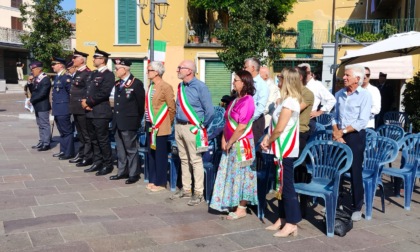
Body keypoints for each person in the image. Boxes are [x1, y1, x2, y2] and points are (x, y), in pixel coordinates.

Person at [210, 70, 258, 220]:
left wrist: (230, 141)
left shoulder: (248, 101)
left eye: (236, 80)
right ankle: (232, 202)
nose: (233, 82)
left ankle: (242, 207)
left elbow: (242, 126)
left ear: (244, 82)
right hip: (230, 143)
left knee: (243, 176)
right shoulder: (234, 100)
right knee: (232, 174)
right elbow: (227, 122)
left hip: (241, 144)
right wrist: (224, 139)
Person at [260, 68, 302, 237]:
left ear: (287, 81)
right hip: (277, 148)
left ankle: (292, 222)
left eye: (280, 78)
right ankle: (283, 218)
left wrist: (268, 140)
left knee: (287, 187)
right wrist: (266, 138)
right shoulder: (284, 101)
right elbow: (273, 127)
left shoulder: (291, 102)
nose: (277, 81)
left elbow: (280, 129)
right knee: (280, 185)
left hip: (285, 149)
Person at [170, 60, 214, 206]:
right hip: (180, 126)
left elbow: (210, 111)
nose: (178, 70)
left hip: (193, 128)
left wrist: (201, 126)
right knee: (183, 159)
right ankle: (186, 189)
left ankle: (199, 192)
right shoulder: (180, 86)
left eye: (180, 68)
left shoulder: (201, 87)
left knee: (195, 160)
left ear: (189, 71)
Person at [331, 64, 371, 222]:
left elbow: (362, 121)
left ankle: (356, 206)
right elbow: (334, 115)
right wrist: (336, 132)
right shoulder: (339, 94)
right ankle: (337, 201)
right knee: (337, 169)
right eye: (344, 75)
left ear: (358, 79)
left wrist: (343, 132)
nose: (344, 77)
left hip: (354, 135)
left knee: (355, 171)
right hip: (339, 134)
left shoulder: (365, 96)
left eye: (347, 75)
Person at [109, 58, 145, 184]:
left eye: (117, 68)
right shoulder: (118, 84)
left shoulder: (136, 83)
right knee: (120, 149)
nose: (115, 70)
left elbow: (141, 104)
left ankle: (133, 173)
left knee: (131, 149)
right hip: (118, 122)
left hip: (129, 122)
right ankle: (122, 171)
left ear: (125, 69)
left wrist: (136, 119)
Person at [81, 46, 115, 176]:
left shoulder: (108, 74)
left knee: (102, 139)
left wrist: (89, 102)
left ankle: (107, 164)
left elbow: (104, 93)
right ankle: (97, 162)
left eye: (96, 58)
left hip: (100, 112)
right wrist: (84, 102)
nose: (93, 60)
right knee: (93, 139)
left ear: (102, 60)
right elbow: (87, 90)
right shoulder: (93, 74)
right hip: (90, 112)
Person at [144, 61, 175, 191]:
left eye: (150, 70)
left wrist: (167, 122)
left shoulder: (166, 87)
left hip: (161, 125)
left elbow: (171, 107)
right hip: (150, 123)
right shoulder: (151, 86)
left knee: (160, 154)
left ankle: (161, 182)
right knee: (151, 152)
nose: (147, 72)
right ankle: (153, 179)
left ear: (156, 72)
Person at [69, 48, 93, 167]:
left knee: (86, 133)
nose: (73, 59)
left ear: (81, 60)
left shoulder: (87, 73)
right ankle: (82, 154)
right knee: (80, 134)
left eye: (75, 58)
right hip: (75, 108)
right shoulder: (78, 72)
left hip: (82, 108)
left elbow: (88, 91)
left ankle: (88, 157)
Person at [297, 63, 336, 133]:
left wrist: (320, 112)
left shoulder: (317, 85)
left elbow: (332, 100)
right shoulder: (299, 85)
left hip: (309, 119)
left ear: (309, 72)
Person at [50, 57, 74, 160]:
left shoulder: (66, 77)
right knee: (62, 131)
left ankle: (68, 152)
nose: (52, 66)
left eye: (54, 64)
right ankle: (63, 150)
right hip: (57, 108)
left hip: (64, 108)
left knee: (67, 131)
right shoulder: (58, 77)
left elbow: (71, 94)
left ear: (60, 65)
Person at [26, 61, 52, 151]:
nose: (31, 71)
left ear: (38, 69)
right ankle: (42, 141)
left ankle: (46, 143)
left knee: (44, 124)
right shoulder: (37, 79)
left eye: (32, 69)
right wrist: (29, 83)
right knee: (40, 124)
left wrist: (32, 100)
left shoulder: (45, 79)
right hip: (37, 105)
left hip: (43, 105)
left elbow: (42, 93)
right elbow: (34, 91)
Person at [295, 66, 314, 184]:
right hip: (288, 132)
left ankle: (303, 197)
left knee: (299, 164)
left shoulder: (307, 93)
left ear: (300, 77)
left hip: (300, 132)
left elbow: (294, 109)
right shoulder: (289, 92)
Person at [243, 58, 269, 144]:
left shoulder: (261, 85)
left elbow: (260, 107)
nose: (244, 69)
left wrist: (249, 119)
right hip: (245, 119)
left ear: (253, 68)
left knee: (252, 148)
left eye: (246, 67)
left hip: (255, 121)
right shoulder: (247, 82)